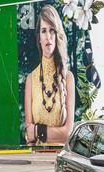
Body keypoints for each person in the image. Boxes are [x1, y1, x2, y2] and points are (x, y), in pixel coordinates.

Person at [25, 4, 75, 145]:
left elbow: (68, 133)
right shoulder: (31, 79)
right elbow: (29, 135)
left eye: (52, 30)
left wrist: (37, 130)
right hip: (36, 161)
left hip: (62, 160)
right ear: (39, 38)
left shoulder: (68, 78)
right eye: (43, 31)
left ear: (57, 34)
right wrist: (37, 132)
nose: (48, 36)